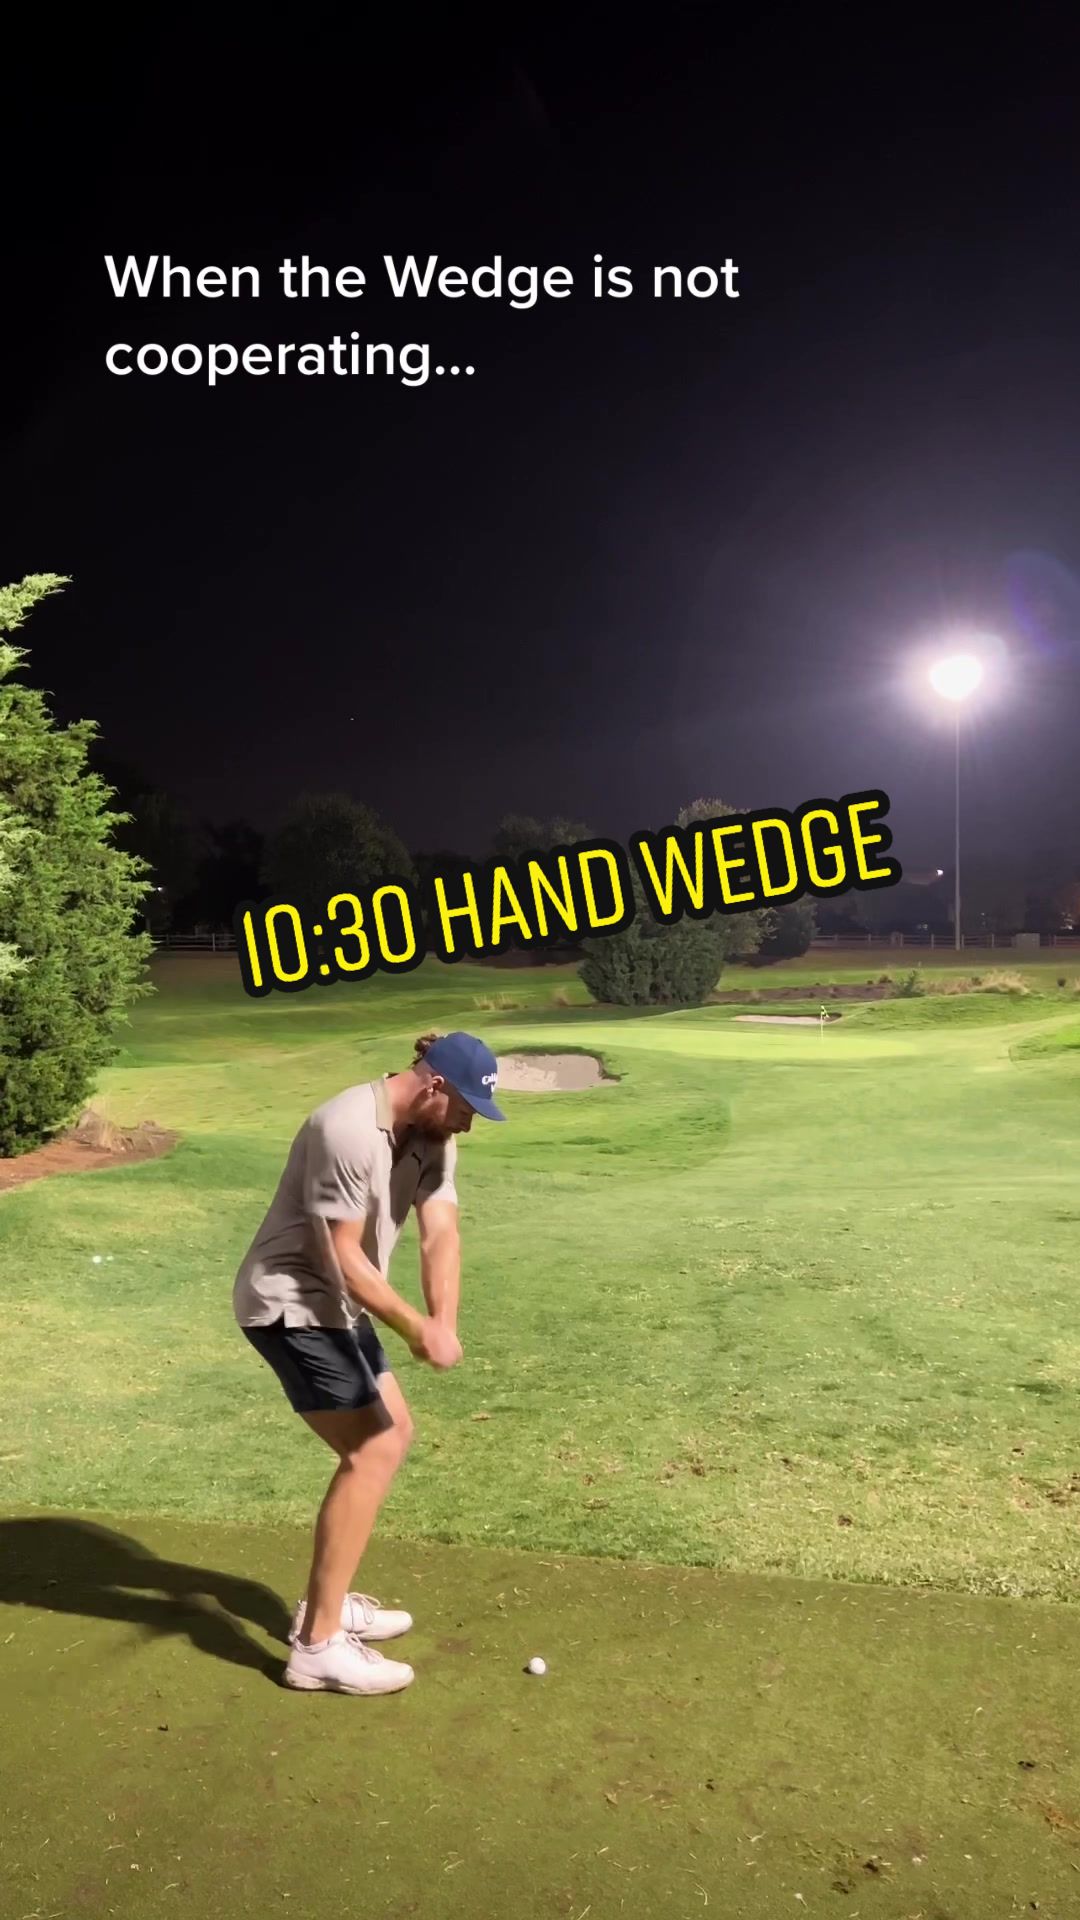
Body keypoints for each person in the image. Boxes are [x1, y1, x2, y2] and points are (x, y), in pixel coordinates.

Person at [233, 1028, 505, 1696]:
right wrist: (413, 1328)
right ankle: (317, 1648)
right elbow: (345, 1257)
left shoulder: (434, 1135)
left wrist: (443, 1320)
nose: (469, 1124)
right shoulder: (347, 1128)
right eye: (466, 1107)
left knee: (393, 1433)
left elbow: (441, 1234)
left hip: (341, 1308)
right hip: (291, 1302)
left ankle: (326, 1604)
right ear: (434, 1085)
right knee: (373, 1448)